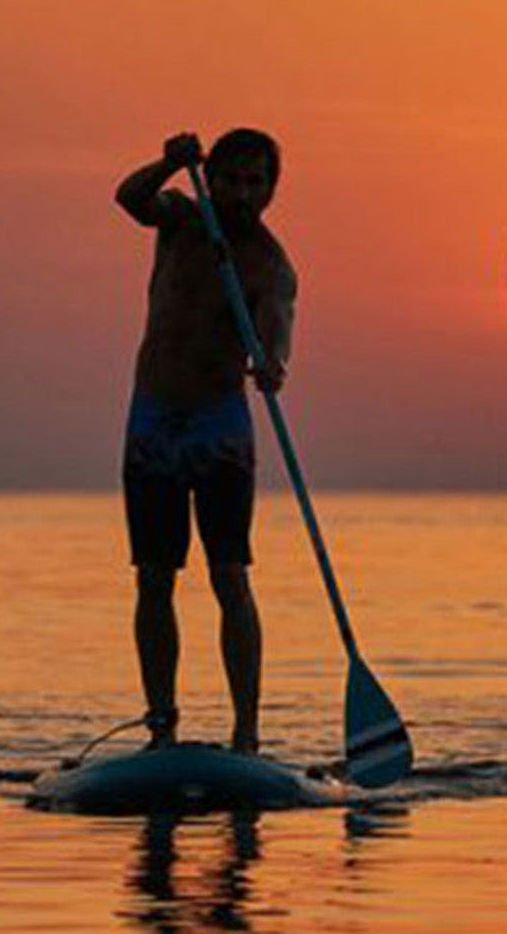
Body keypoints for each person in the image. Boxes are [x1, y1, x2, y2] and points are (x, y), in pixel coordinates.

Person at [114, 129, 297, 752]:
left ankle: (246, 735)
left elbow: (276, 331)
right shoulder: (181, 219)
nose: (243, 194)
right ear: (211, 177)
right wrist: (170, 161)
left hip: (219, 429)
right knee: (154, 577)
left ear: (272, 189)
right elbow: (130, 198)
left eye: (256, 182)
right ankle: (161, 726)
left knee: (229, 576)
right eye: (232, 179)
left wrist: (273, 364)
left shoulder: (270, 264)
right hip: (154, 423)